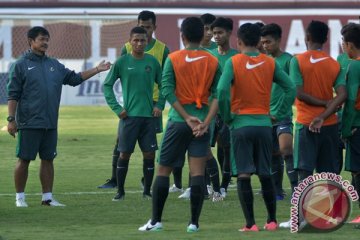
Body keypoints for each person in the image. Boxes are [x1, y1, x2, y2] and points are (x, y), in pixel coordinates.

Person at [6, 26, 111, 207]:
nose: (45, 42)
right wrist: (10, 119)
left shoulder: (53, 64)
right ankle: (20, 198)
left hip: (50, 122)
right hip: (29, 122)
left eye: (47, 39)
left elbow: (74, 78)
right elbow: (13, 95)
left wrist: (97, 69)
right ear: (31, 41)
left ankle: (47, 198)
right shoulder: (21, 65)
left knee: (48, 159)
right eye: (41, 39)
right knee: (24, 159)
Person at [139, 16, 221, 232]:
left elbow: (166, 89)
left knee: (163, 170)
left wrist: (186, 116)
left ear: (183, 36)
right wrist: (205, 122)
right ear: (202, 35)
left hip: (178, 121)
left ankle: (155, 221)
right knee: (196, 173)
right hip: (202, 125)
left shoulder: (174, 58)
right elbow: (218, 95)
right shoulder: (213, 60)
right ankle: (193, 223)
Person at [217, 23, 295, 232]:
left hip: (241, 124)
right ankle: (271, 221)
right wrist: (278, 113)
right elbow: (290, 88)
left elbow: (222, 90)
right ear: (258, 42)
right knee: (265, 172)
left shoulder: (234, 62)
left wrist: (227, 116)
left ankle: (250, 224)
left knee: (243, 173)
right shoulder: (269, 62)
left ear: (239, 42)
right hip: (263, 124)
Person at [279, 20, 347, 228]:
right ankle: (334, 217)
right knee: (330, 174)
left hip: (306, 124)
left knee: (304, 172)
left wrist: (319, 108)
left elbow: (299, 93)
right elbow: (342, 95)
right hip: (330, 124)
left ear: (307, 38)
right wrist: (327, 109)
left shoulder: (297, 61)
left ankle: (300, 219)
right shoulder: (335, 63)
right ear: (326, 39)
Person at [97, 10, 170, 189]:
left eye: (148, 28)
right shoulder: (126, 50)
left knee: (151, 149)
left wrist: (160, 104)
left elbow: (166, 79)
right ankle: (115, 180)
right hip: (131, 106)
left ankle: (148, 182)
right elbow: (113, 80)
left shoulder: (162, 49)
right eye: (142, 26)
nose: (144, 31)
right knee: (120, 143)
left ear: (154, 28)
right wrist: (118, 107)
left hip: (152, 105)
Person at [261, 23, 298, 200]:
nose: (265, 45)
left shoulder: (289, 60)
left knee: (286, 150)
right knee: (272, 154)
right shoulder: (263, 61)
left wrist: (282, 111)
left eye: (268, 42)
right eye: (263, 42)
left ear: (278, 40)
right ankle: (277, 192)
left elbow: (292, 89)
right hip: (265, 116)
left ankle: (295, 190)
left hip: (282, 116)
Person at [210, 17, 238, 198]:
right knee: (205, 149)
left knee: (227, 148)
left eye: (220, 32)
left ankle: (224, 186)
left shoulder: (237, 56)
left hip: (230, 110)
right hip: (211, 110)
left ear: (229, 33)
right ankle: (209, 184)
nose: (216, 36)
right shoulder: (210, 56)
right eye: (214, 33)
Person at [340, 23, 360, 223]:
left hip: (357, 125)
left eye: (343, 44)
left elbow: (352, 99)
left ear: (349, 45)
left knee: (357, 169)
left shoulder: (354, 65)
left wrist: (345, 129)